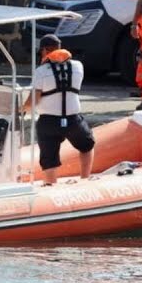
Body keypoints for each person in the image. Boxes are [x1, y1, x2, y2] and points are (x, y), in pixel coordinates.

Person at [30, 34, 95, 185]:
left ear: (45, 51)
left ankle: (51, 185)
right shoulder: (78, 66)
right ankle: (85, 180)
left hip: (48, 122)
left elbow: (34, 99)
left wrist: (21, 108)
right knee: (87, 146)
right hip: (73, 120)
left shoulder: (40, 71)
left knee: (49, 159)